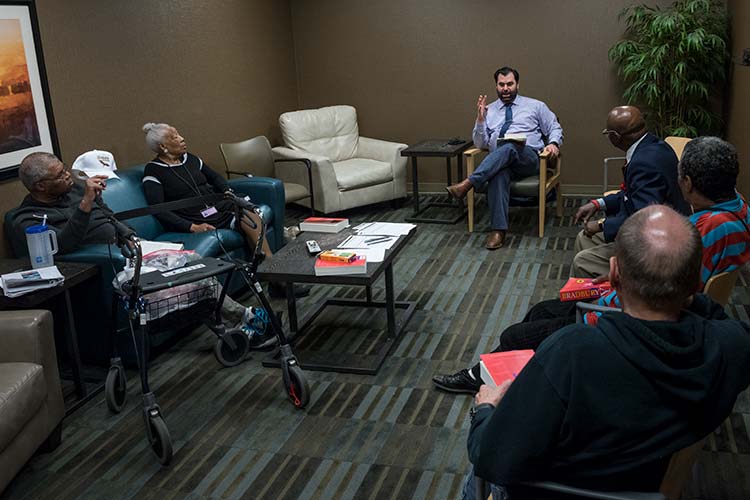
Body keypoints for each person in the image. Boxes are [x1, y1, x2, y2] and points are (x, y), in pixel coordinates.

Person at [461, 205, 750, 499]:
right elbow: (715, 316)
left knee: (477, 470)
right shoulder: (729, 347)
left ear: (613, 274)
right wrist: (683, 295)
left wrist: (485, 408)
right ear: (692, 285)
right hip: (650, 484)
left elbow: (490, 456)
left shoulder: (571, 353)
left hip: (563, 489)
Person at [432, 136, 749, 394]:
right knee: (542, 312)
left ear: (689, 183)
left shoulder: (699, 231)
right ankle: (503, 372)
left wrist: (602, 291)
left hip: (622, 323)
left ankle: (494, 381)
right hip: (650, 313)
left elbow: (667, 298)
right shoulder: (739, 214)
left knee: (518, 334)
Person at [9, 151, 257, 337]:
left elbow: (108, 215)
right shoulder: (28, 218)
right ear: (40, 185)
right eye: (60, 174)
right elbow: (63, 246)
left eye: (65, 169)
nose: (68, 176)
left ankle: (233, 324)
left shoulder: (72, 191)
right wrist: (85, 205)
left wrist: (129, 235)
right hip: (114, 265)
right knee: (189, 273)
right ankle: (243, 318)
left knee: (194, 263)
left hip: (133, 249)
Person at [141, 122, 309, 299]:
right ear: (163, 146)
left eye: (179, 134)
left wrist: (226, 191)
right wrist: (191, 226)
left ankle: (269, 268)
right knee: (248, 220)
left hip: (217, 207)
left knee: (251, 215)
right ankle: (276, 278)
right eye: (174, 137)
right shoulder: (154, 171)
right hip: (195, 216)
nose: (182, 138)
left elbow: (214, 177)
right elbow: (157, 209)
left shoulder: (190, 158)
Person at [445, 67, 563, 249]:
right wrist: (480, 119)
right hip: (499, 162)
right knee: (498, 173)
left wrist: (553, 143)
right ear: (496, 86)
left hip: (529, 159)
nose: (505, 88)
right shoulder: (489, 110)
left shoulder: (536, 106)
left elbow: (554, 127)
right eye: (501, 85)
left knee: (510, 146)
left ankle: (467, 184)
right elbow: (479, 144)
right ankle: (498, 231)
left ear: (517, 85)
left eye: (510, 84)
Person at [570, 105, 689, 277]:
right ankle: (590, 294)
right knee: (584, 238)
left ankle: (608, 299)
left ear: (615, 137)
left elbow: (643, 219)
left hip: (658, 244)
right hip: (657, 227)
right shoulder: (654, 145)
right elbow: (632, 195)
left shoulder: (644, 163)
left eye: (607, 133)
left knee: (582, 261)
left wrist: (602, 224)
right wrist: (598, 204)